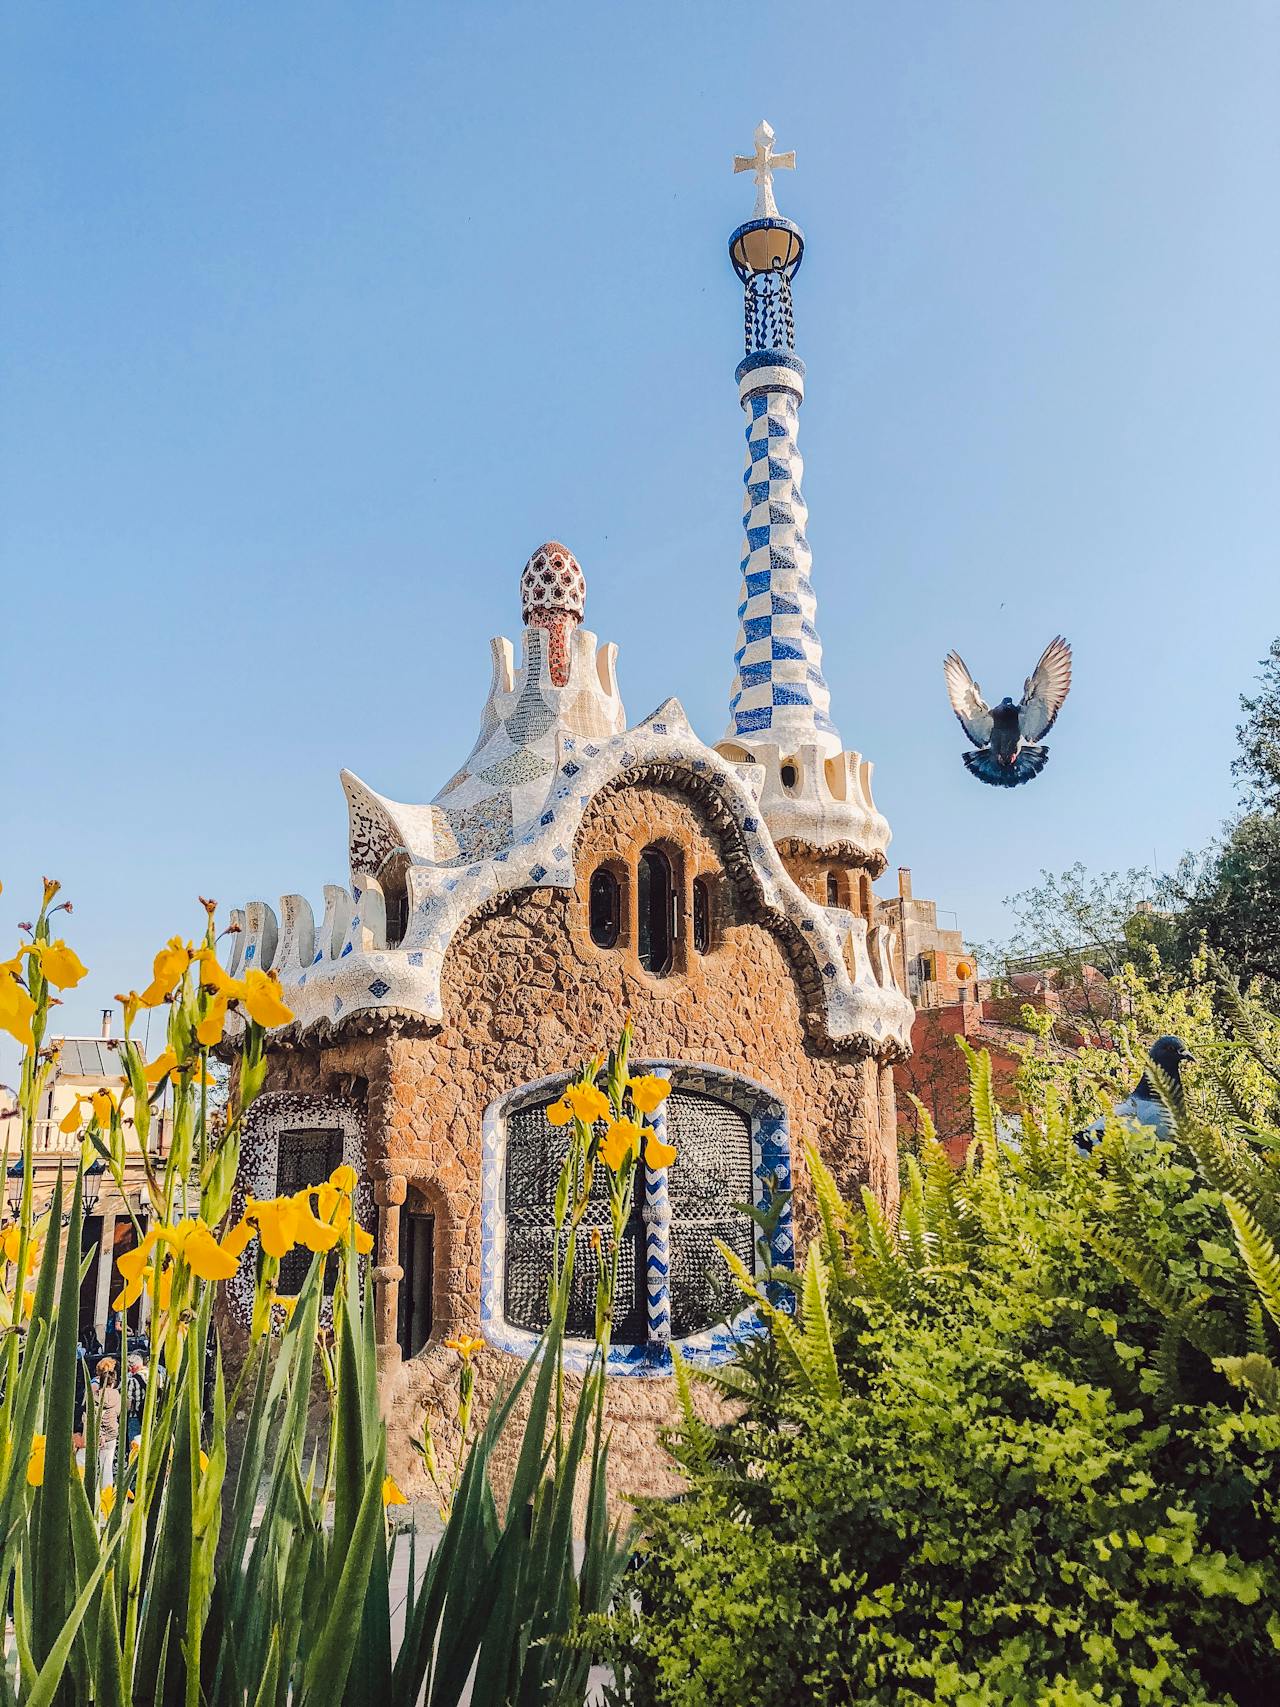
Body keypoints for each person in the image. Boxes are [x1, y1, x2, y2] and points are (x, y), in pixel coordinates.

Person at [96, 1357, 121, 1487]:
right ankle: (106, 1493)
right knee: (107, 1466)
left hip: (98, 1436)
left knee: (95, 1466)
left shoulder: (97, 1395)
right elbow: (118, 1412)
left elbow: (93, 1416)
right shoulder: (117, 1395)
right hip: (112, 1435)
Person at [125, 1353, 147, 1447]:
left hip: (135, 1416)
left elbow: (128, 1403)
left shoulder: (132, 1380)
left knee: (135, 1446)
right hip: (151, 1415)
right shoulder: (157, 1374)